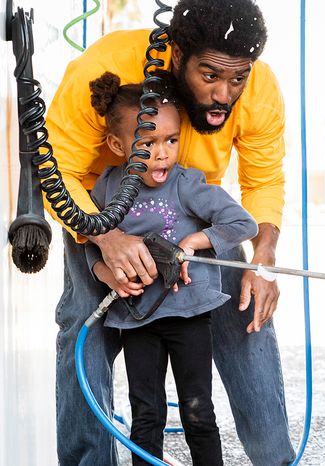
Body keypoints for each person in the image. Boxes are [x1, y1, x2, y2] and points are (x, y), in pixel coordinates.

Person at [46, 0, 295, 464]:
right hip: (99, 213)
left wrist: (264, 259)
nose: (225, 93)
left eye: (236, 78)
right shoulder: (102, 66)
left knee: (249, 317)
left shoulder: (258, 87)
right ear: (178, 55)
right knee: (84, 327)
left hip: (196, 217)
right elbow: (57, 169)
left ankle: (276, 459)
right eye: (210, 76)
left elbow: (264, 179)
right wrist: (106, 239)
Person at [86, 71, 257, 466]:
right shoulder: (107, 189)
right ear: (117, 144)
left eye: (171, 140)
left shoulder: (186, 184)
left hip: (188, 315)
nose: (162, 152)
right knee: (146, 413)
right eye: (147, 142)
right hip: (137, 319)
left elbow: (242, 224)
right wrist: (105, 273)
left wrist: (191, 243)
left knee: (199, 408)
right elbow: (90, 241)